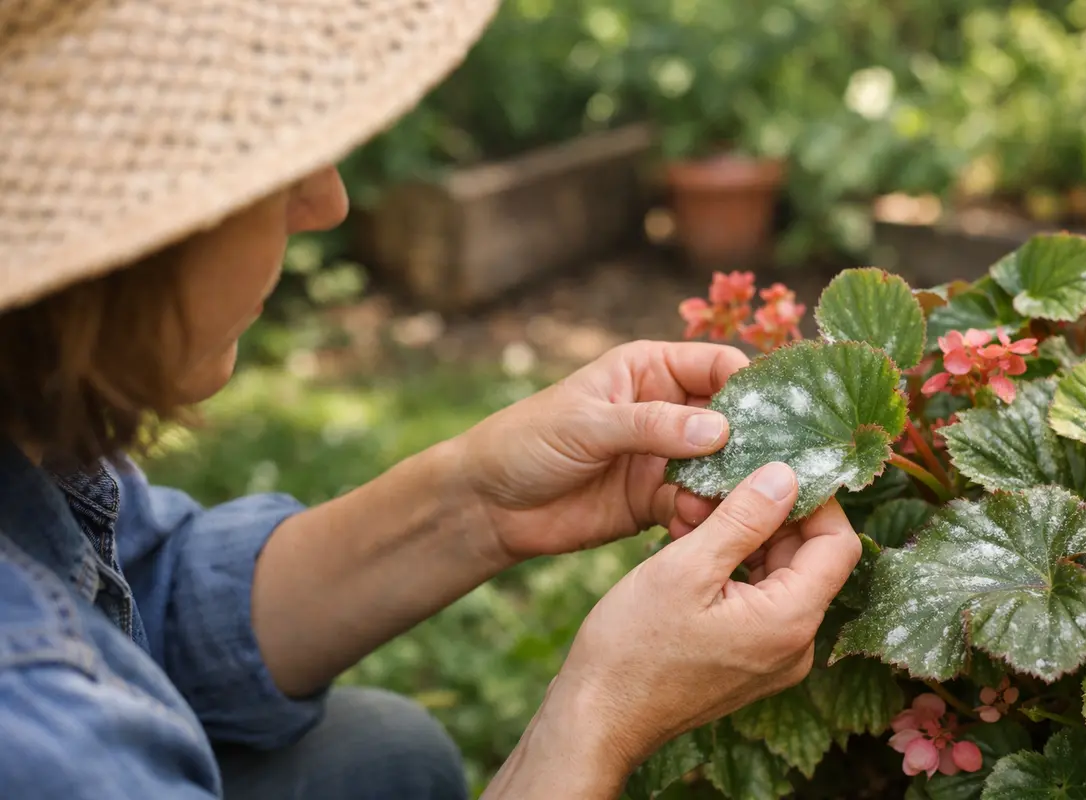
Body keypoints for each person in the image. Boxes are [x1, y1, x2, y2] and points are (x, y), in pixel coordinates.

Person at [0, 1, 863, 798]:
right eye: (263, 165)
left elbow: (149, 603)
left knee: (382, 754)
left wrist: (479, 503)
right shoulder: (38, 731)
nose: (326, 201)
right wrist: (598, 716)